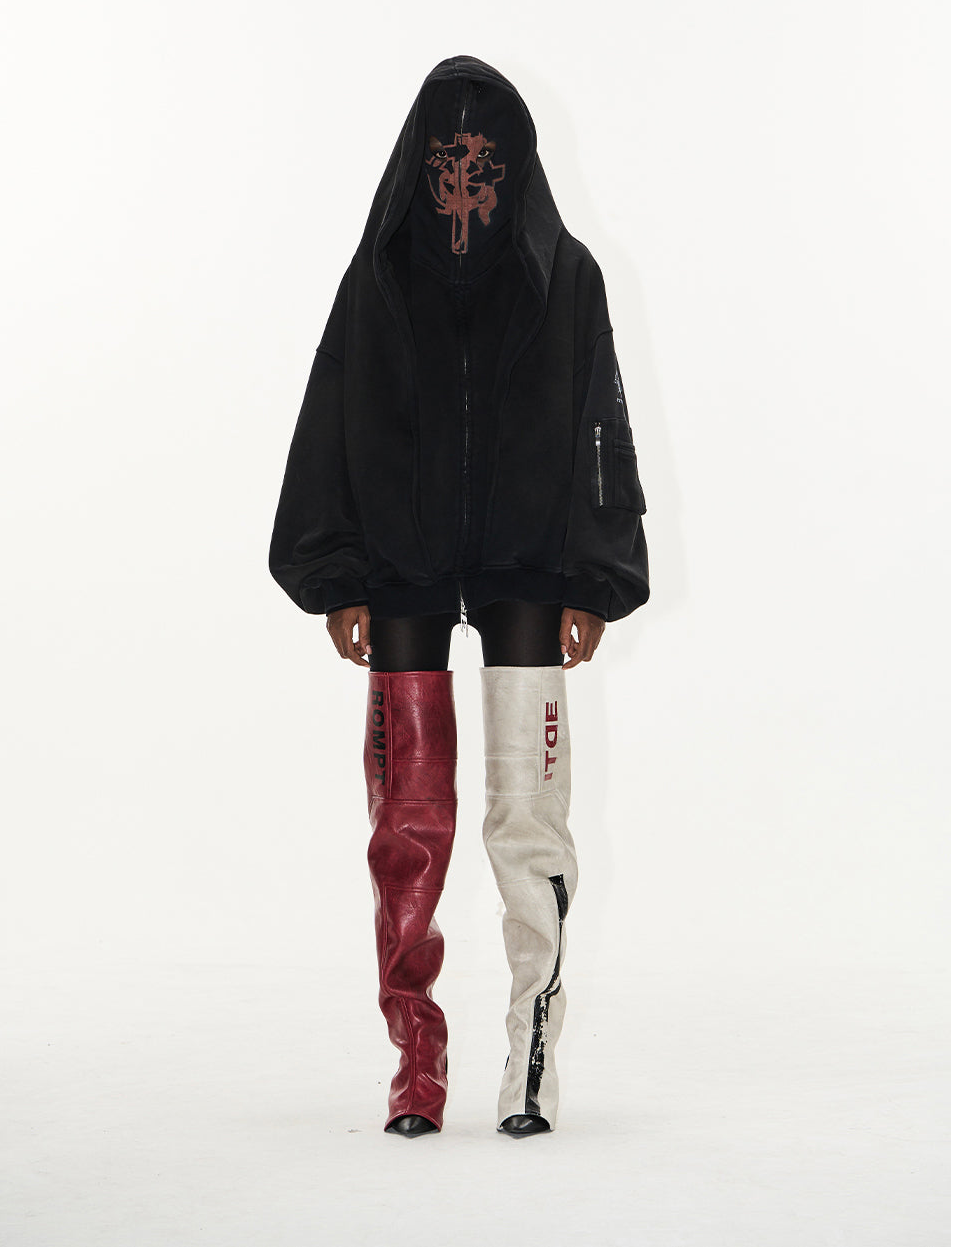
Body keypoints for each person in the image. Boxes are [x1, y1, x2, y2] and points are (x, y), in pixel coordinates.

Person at [269, 55, 649, 1139]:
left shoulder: (568, 276)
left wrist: (594, 571)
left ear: (515, 160)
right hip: (402, 562)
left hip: (530, 563)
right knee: (408, 821)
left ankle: (532, 1057)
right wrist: (334, 568)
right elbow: (330, 415)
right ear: (419, 158)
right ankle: (416, 1056)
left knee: (528, 817)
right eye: (448, 153)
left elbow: (599, 420)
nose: (466, 172)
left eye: (484, 155)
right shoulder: (378, 276)